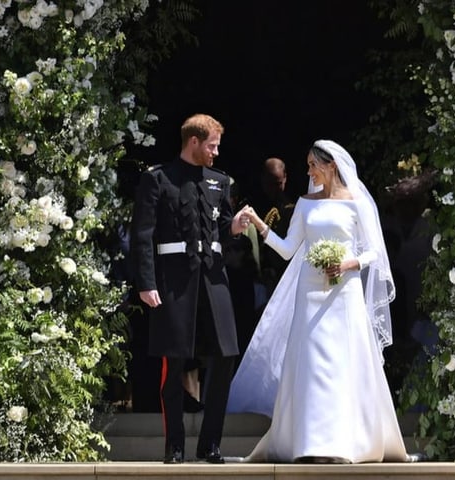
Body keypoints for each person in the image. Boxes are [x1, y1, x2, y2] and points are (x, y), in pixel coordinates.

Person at [228, 139, 409, 464]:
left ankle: (347, 441)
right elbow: (287, 249)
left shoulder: (356, 202)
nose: (308, 170)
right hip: (309, 290)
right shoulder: (305, 203)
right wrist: (258, 223)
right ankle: (309, 441)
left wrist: (348, 263)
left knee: (343, 361)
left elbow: (374, 251)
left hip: (345, 289)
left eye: (313, 164)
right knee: (311, 363)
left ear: (331, 166)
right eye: (308, 164)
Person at [130, 113, 249, 464]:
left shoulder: (219, 181)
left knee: (225, 356)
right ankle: (175, 446)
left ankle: (210, 443)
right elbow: (143, 236)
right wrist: (146, 283)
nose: (215, 152)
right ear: (193, 142)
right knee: (174, 361)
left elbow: (223, 228)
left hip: (213, 281)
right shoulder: (158, 179)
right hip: (175, 282)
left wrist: (237, 227)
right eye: (211, 146)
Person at [256, 157, 295, 295]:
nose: (274, 189)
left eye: (277, 183)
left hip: (283, 273)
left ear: (285, 178)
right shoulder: (254, 205)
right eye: (269, 184)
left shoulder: (291, 209)